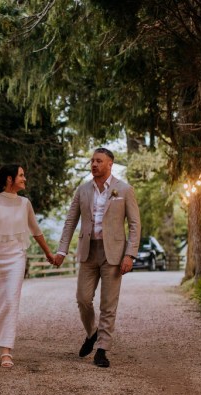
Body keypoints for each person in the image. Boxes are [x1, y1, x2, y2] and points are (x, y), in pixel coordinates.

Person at [54, 148, 141, 368]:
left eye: (99, 161)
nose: (94, 164)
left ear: (110, 164)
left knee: (108, 305)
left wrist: (130, 254)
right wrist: (62, 251)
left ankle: (102, 350)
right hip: (88, 250)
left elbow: (134, 225)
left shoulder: (124, 189)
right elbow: (70, 222)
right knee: (83, 299)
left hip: (113, 253)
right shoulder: (82, 190)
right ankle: (92, 333)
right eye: (92, 160)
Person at [0, 164, 54, 368]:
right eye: (21, 175)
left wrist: (48, 252)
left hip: (16, 256)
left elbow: (36, 230)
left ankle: (6, 350)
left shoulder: (25, 203)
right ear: (9, 179)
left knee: (10, 300)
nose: (25, 179)